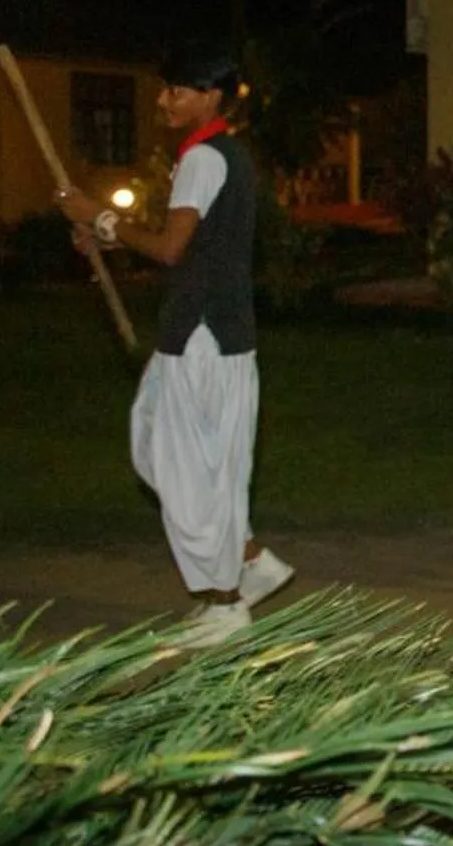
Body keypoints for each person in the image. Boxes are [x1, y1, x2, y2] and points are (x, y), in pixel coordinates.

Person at [58, 45, 291, 647]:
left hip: (204, 337)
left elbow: (171, 249)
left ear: (210, 97)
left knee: (190, 468)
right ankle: (245, 560)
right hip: (207, 332)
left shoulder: (204, 158)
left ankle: (224, 602)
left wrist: (101, 217)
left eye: (177, 90)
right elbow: (196, 245)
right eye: (164, 89)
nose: (164, 100)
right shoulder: (220, 156)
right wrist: (108, 240)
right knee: (168, 454)